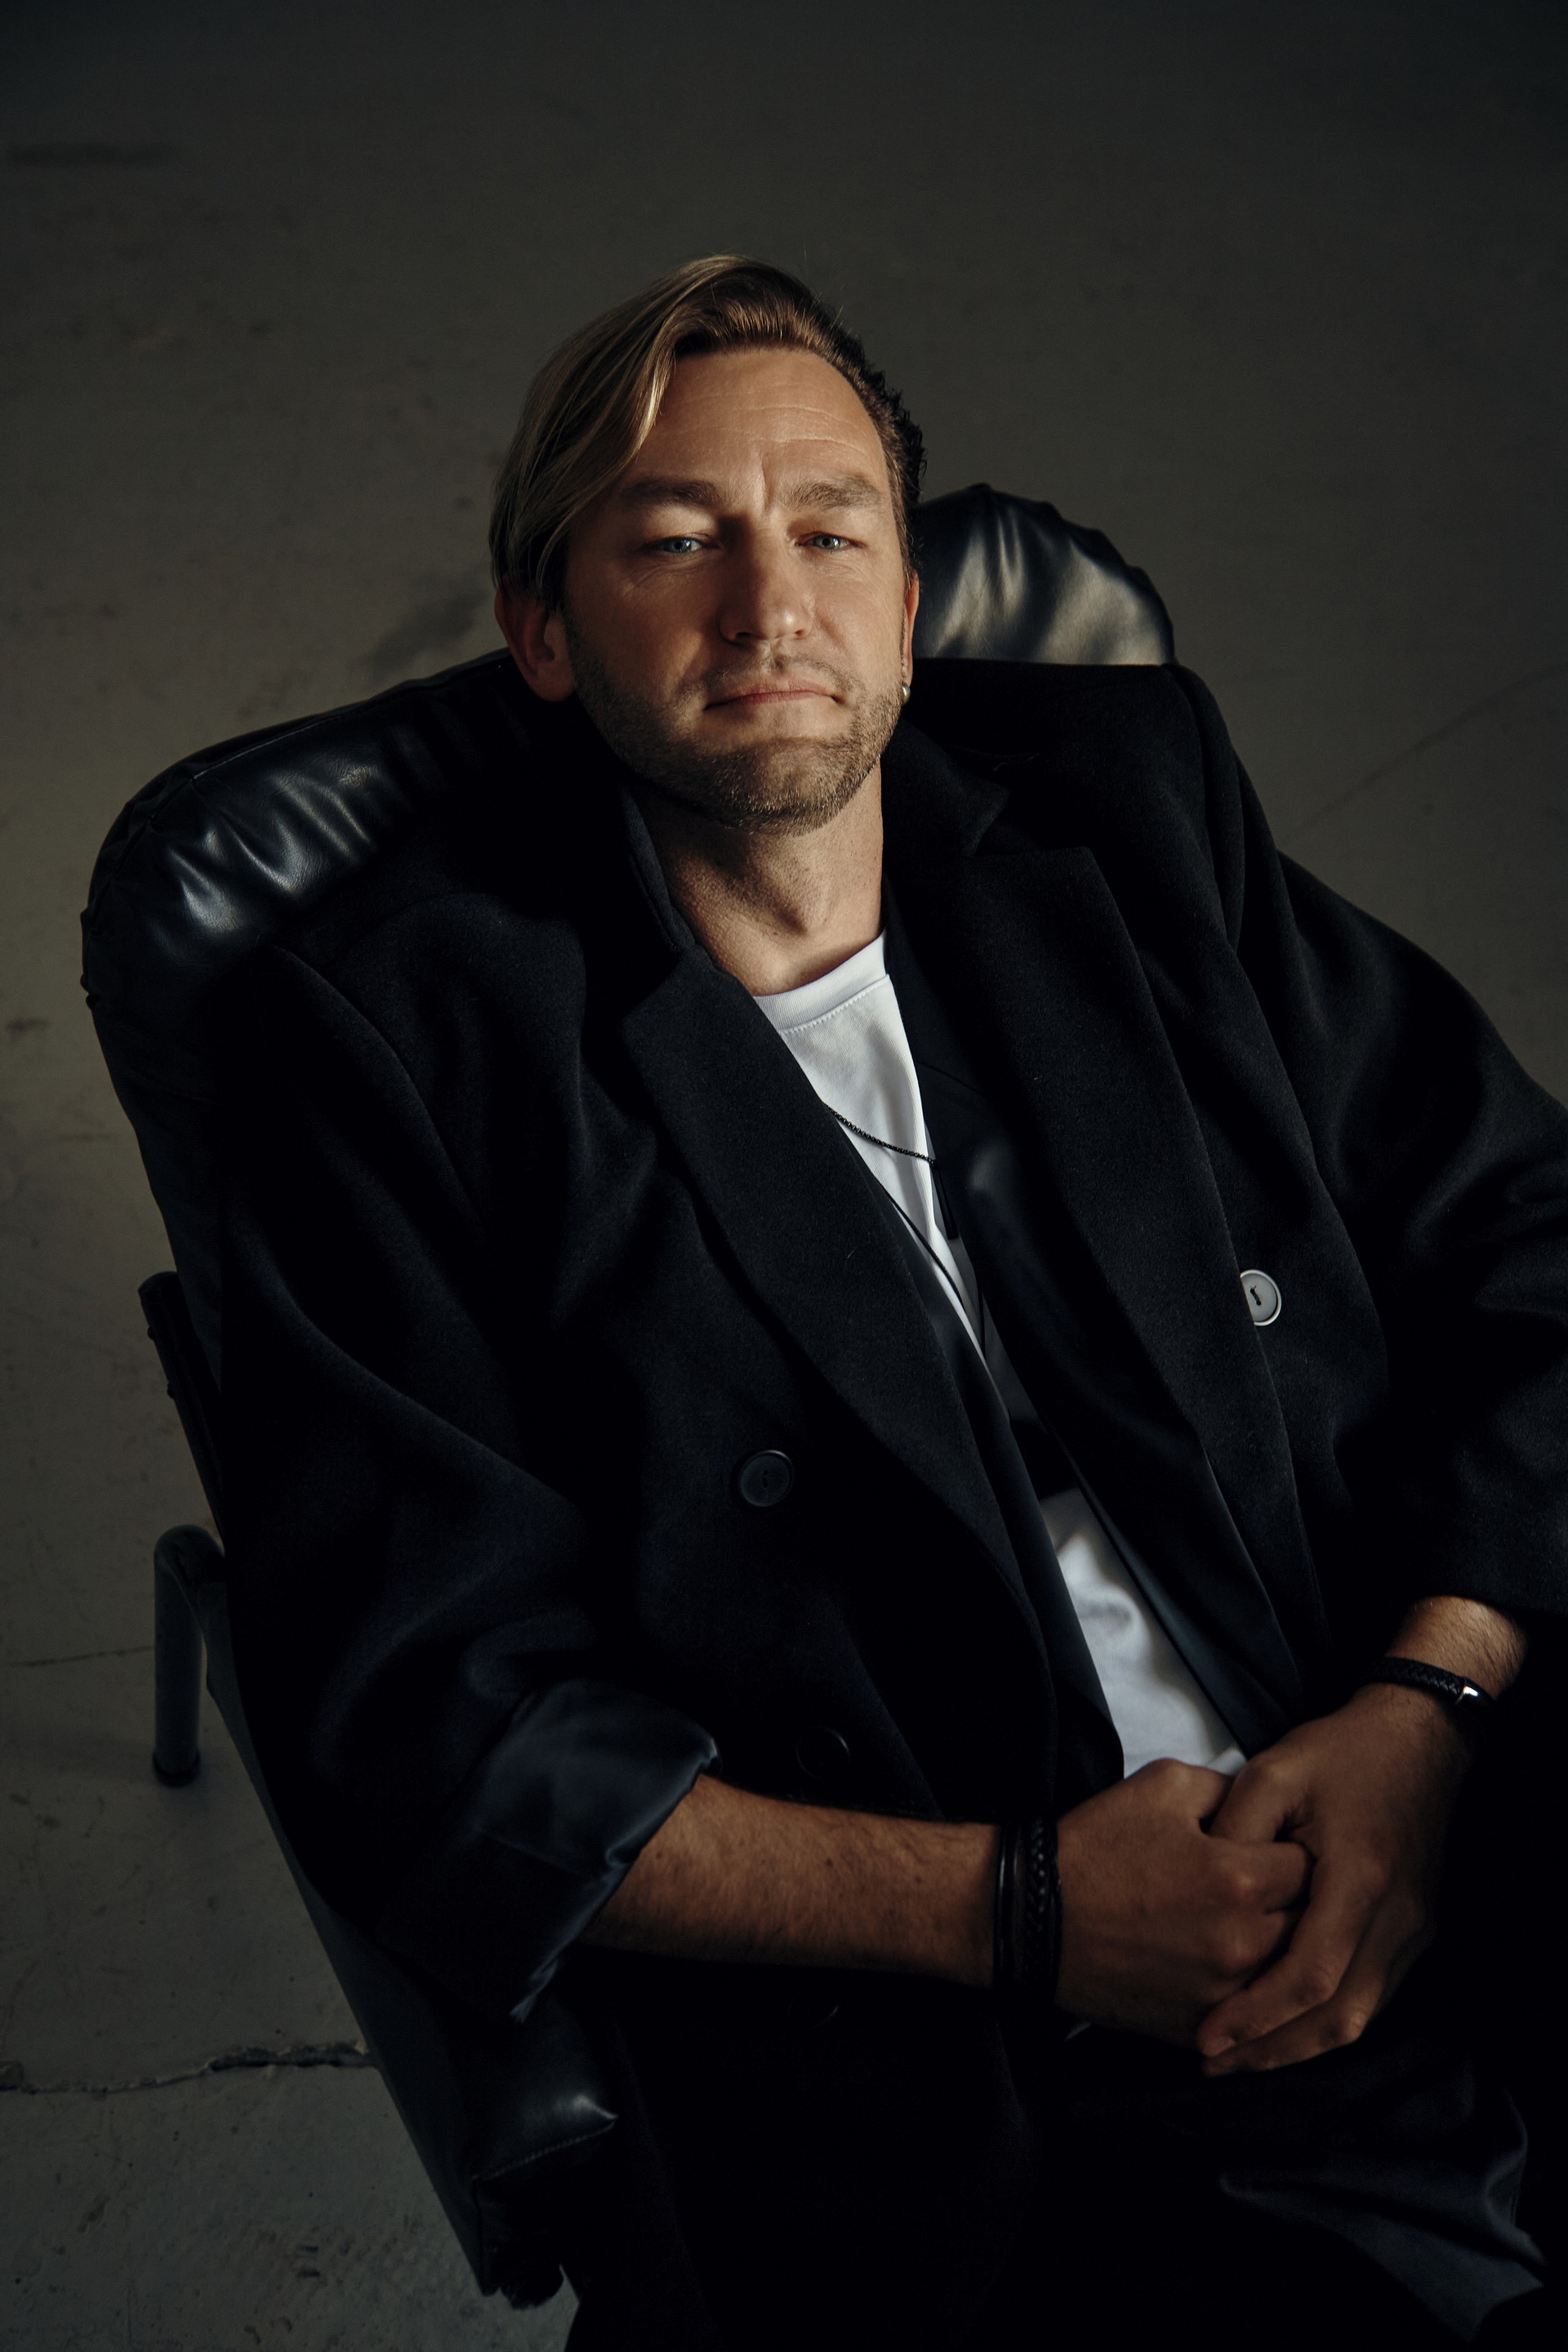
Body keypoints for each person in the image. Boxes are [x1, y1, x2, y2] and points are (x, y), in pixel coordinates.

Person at [222, 256, 1565, 2348]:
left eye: (832, 532)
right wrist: (1024, 1913)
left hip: (1432, 1819)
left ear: (913, 608)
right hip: (962, 2062)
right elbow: (446, 1735)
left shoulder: (1132, 807)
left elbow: (1531, 1236)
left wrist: (1428, 1713)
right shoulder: (402, 1040)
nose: (771, 605)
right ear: (544, 631)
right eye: (677, 540)